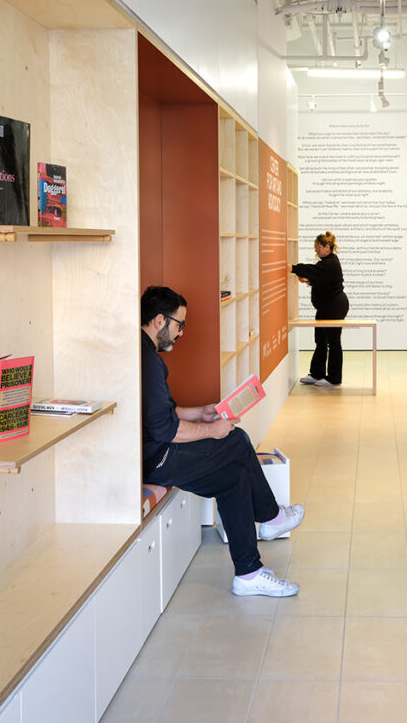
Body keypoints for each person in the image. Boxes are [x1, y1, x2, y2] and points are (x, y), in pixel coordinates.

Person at [139, 285, 304, 597]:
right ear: (159, 320)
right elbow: (165, 431)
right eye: (179, 324)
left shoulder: (144, 354)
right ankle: (272, 517)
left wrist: (199, 413)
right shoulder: (148, 361)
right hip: (158, 459)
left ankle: (249, 574)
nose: (181, 333)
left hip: (155, 453)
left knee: (234, 478)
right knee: (237, 439)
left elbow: (160, 414)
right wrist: (213, 430)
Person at [291, 231, 349, 387]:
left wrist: (293, 268)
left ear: (327, 247)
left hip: (334, 307)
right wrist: (309, 281)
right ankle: (317, 373)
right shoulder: (327, 262)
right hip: (326, 307)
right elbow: (322, 279)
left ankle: (334, 379)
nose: (315, 250)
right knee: (320, 340)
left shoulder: (330, 263)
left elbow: (313, 270)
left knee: (333, 342)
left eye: (318, 247)